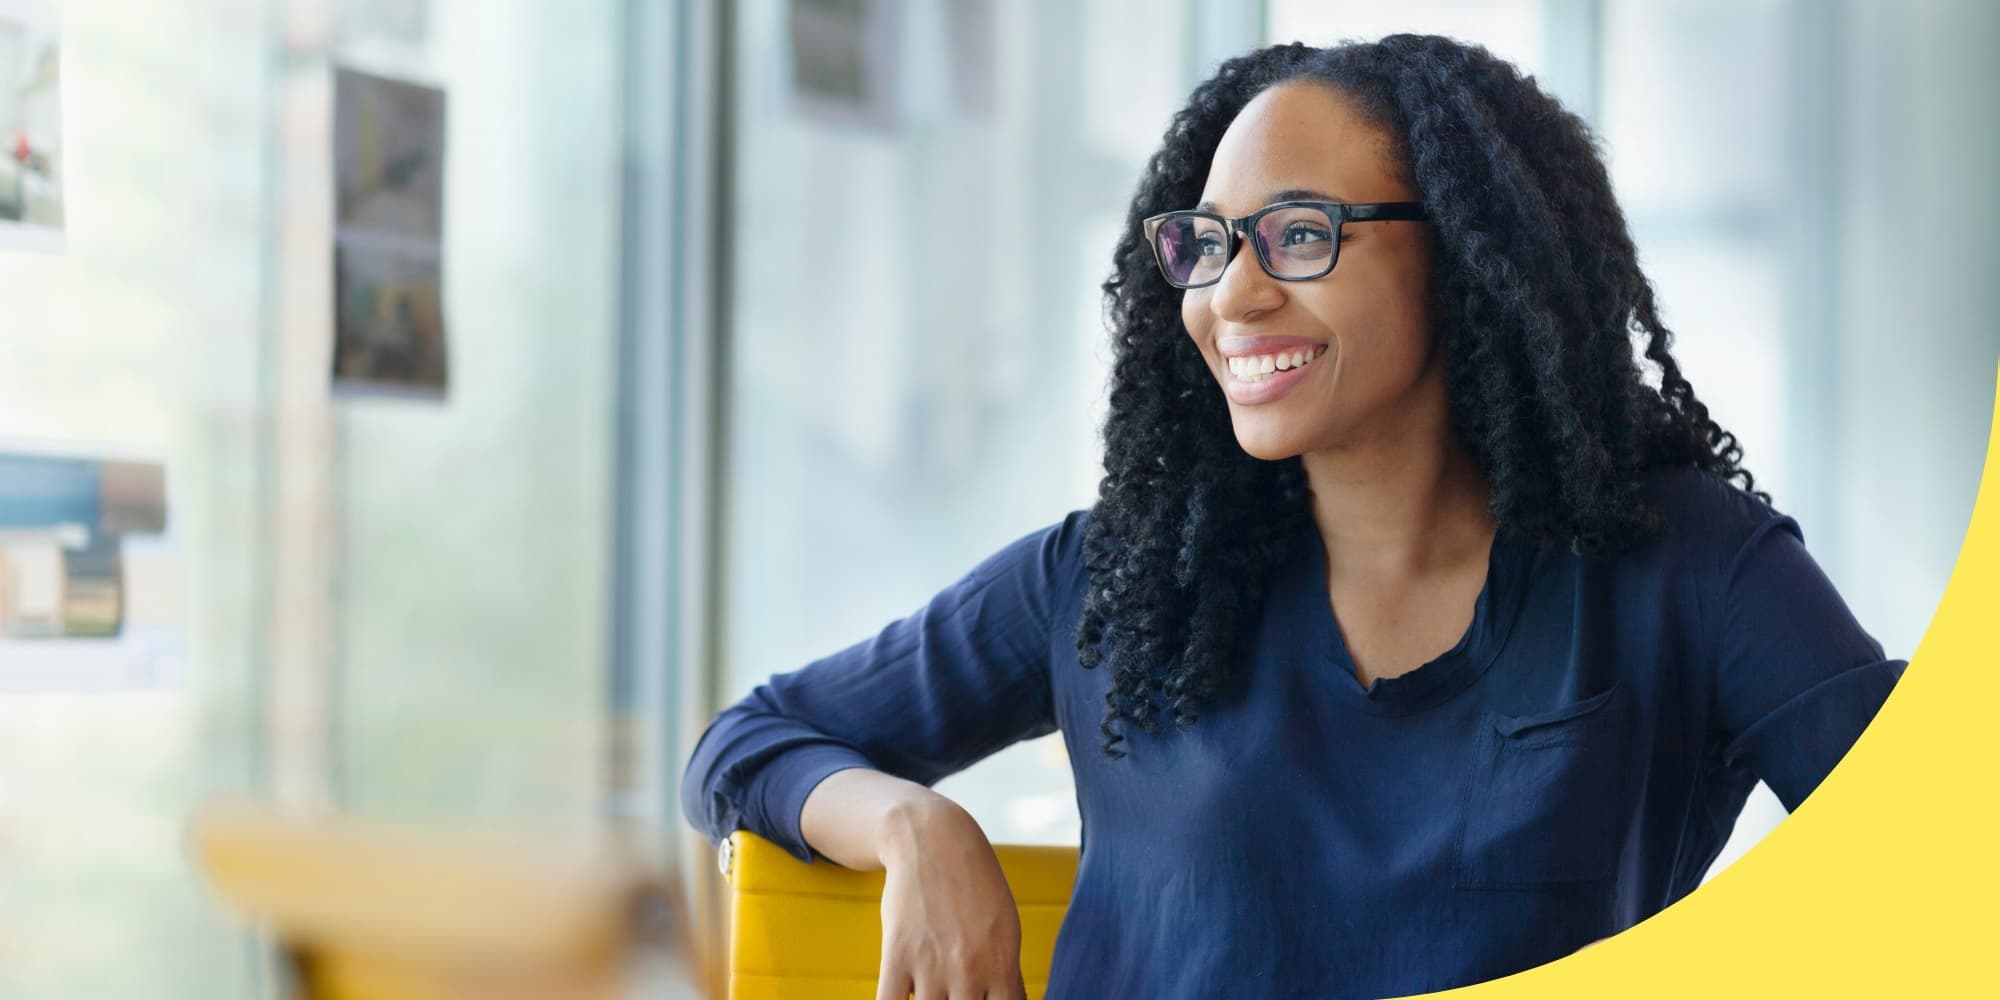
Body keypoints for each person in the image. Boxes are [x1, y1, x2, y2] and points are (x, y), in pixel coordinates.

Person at [680, 35, 1907, 999]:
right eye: (1205, 246)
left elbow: (1934, 855)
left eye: (1300, 236)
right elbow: (747, 744)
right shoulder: (1118, 575)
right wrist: (911, 821)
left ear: (1470, 261)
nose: (1233, 294)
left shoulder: (1686, 569)